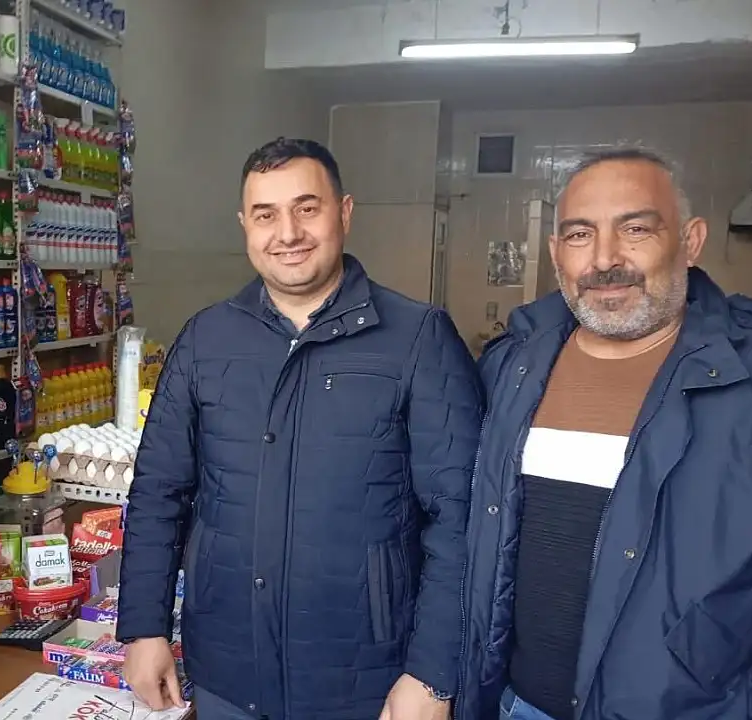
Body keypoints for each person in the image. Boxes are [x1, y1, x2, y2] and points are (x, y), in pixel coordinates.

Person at [119, 137, 482, 720]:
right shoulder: (205, 340)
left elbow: (460, 518)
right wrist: (144, 627)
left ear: (344, 212)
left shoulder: (418, 339)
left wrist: (434, 674)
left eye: (306, 208)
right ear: (245, 225)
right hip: (226, 672)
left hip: (367, 683)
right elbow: (158, 490)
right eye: (265, 215)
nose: (287, 233)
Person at [459, 148, 752, 720]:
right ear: (556, 253)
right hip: (510, 705)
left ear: (691, 241)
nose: (605, 259)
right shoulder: (513, 363)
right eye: (580, 235)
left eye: (635, 229)